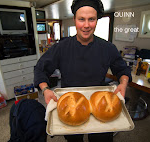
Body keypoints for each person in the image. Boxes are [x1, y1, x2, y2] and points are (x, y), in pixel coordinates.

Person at [34, 0, 132, 141]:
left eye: (91, 19)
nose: (86, 25)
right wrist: (45, 89)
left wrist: (123, 83)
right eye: (81, 19)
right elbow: (40, 68)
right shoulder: (61, 47)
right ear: (74, 19)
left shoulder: (108, 48)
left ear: (97, 20)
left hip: (100, 104)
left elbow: (122, 69)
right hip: (70, 105)